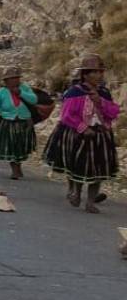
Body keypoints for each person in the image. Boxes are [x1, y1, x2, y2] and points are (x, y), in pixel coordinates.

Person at [43, 54, 120, 213]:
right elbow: (67, 115)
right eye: (95, 72)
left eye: (100, 72)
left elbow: (113, 112)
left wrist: (100, 102)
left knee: (98, 170)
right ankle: (76, 193)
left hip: (100, 135)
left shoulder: (104, 92)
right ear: (86, 74)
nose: (99, 75)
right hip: (80, 135)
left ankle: (90, 202)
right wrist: (83, 128)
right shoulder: (74, 92)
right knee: (78, 166)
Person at [0, 66, 39, 180]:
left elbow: (34, 100)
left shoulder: (25, 88)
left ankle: (18, 166)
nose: (14, 81)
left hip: (24, 123)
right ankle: (15, 169)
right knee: (11, 147)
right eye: (10, 79)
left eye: (16, 78)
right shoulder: (2, 92)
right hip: (8, 123)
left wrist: (20, 93)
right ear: (6, 81)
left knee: (21, 147)